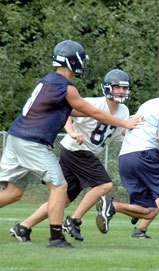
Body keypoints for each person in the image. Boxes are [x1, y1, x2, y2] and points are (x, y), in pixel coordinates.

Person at [0, 40, 141, 248]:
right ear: (71, 61)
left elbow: (73, 111)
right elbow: (91, 111)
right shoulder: (66, 87)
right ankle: (57, 238)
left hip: (16, 137)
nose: (82, 65)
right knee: (59, 187)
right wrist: (124, 123)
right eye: (80, 60)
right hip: (33, 141)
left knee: (13, 192)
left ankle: (25, 228)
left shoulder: (49, 81)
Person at [94, 78, 159, 253]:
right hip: (145, 155)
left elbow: (125, 129)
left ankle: (112, 206)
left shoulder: (150, 103)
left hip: (126, 157)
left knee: (148, 210)